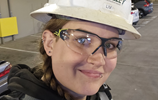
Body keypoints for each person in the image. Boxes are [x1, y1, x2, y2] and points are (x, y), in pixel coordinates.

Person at [0, 0, 141, 100]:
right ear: (49, 43)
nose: (99, 60)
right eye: (82, 40)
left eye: (110, 45)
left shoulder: (103, 95)